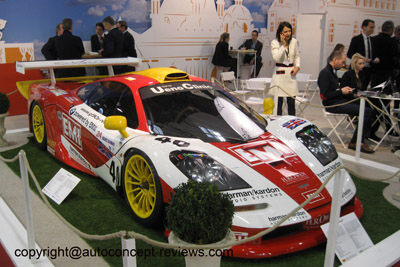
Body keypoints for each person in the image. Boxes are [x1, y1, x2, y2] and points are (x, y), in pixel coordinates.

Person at [318, 50, 375, 153]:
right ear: (335, 60)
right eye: (342, 61)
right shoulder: (325, 73)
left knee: (368, 109)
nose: (344, 64)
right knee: (366, 112)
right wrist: (342, 91)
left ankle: (358, 140)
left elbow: (334, 91)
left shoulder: (331, 72)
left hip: (339, 101)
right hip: (333, 105)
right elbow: (325, 95)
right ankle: (357, 142)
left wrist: (346, 92)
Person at [340, 53, 381, 142]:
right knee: (369, 111)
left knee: (377, 108)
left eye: (363, 63)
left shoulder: (362, 75)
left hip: (361, 98)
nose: (362, 65)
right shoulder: (348, 74)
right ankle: (361, 137)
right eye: (360, 63)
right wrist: (355, 94)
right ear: (354, 64)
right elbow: (343, 91)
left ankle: (369, 133)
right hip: (350, 99)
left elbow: (363, 88)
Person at [270, 21, 300, 116]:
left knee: (291, 103)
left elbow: (297, 55)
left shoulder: (294, 42)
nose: (288, 34)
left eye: (289, 31)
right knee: (278, 104)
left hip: (291, 75)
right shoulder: (275, 43)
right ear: (281, 33)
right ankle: (278, 125)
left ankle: (292, 124)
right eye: (285, 31)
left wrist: (297, 67)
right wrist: (283, 45)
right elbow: (277, 58)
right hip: (279, 75)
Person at [347, 19, 378, 88]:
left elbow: (374, 53)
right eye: (371, 27)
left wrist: (376, 58)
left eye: (373, 27)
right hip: (358, 69)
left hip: (369, 69)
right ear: (364, 27)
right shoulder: (356, 39)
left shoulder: (373, 40)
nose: (372, 29)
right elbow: (349, 54)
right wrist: (361, 59)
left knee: (365, 88)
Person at [371, 20, 396, 87]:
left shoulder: (373, 39)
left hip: (374, 70)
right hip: (387, 70)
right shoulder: (392, 41)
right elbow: (393, 56)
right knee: (385, 90)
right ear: (390, 29)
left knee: (374, 89)